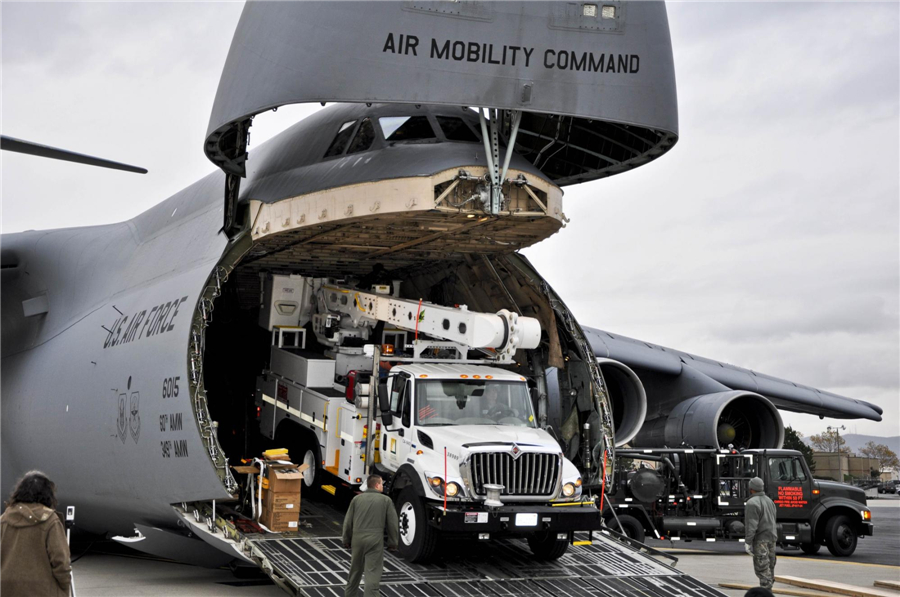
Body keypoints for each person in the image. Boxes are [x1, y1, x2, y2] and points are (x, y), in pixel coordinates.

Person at [1, 470, 72, 597]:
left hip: (7, 589)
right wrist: (64, 586)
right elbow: (61, 561)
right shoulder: (50, 520)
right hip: (43, 590)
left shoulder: (4, 519)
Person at [342, 474, 399, 597]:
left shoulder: (356, 499)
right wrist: (392, 543)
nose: (383, 487)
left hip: (357, 540)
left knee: (354, 572)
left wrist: (346, 539)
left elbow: (348, 522)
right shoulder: (386, 500)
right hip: (375, 540)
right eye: (382, 484)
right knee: (372, 574)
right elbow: (392, 524)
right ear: (377, 485)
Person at [744, 476, 777, 590]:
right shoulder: (770, 501)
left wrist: (748, 542)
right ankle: (769, 590)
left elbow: (752, 525)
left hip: (761, 539)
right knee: (770, 567)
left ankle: (766, 592)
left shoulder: (752, 503)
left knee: (762, 568)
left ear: (751, 488)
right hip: (772, 538)